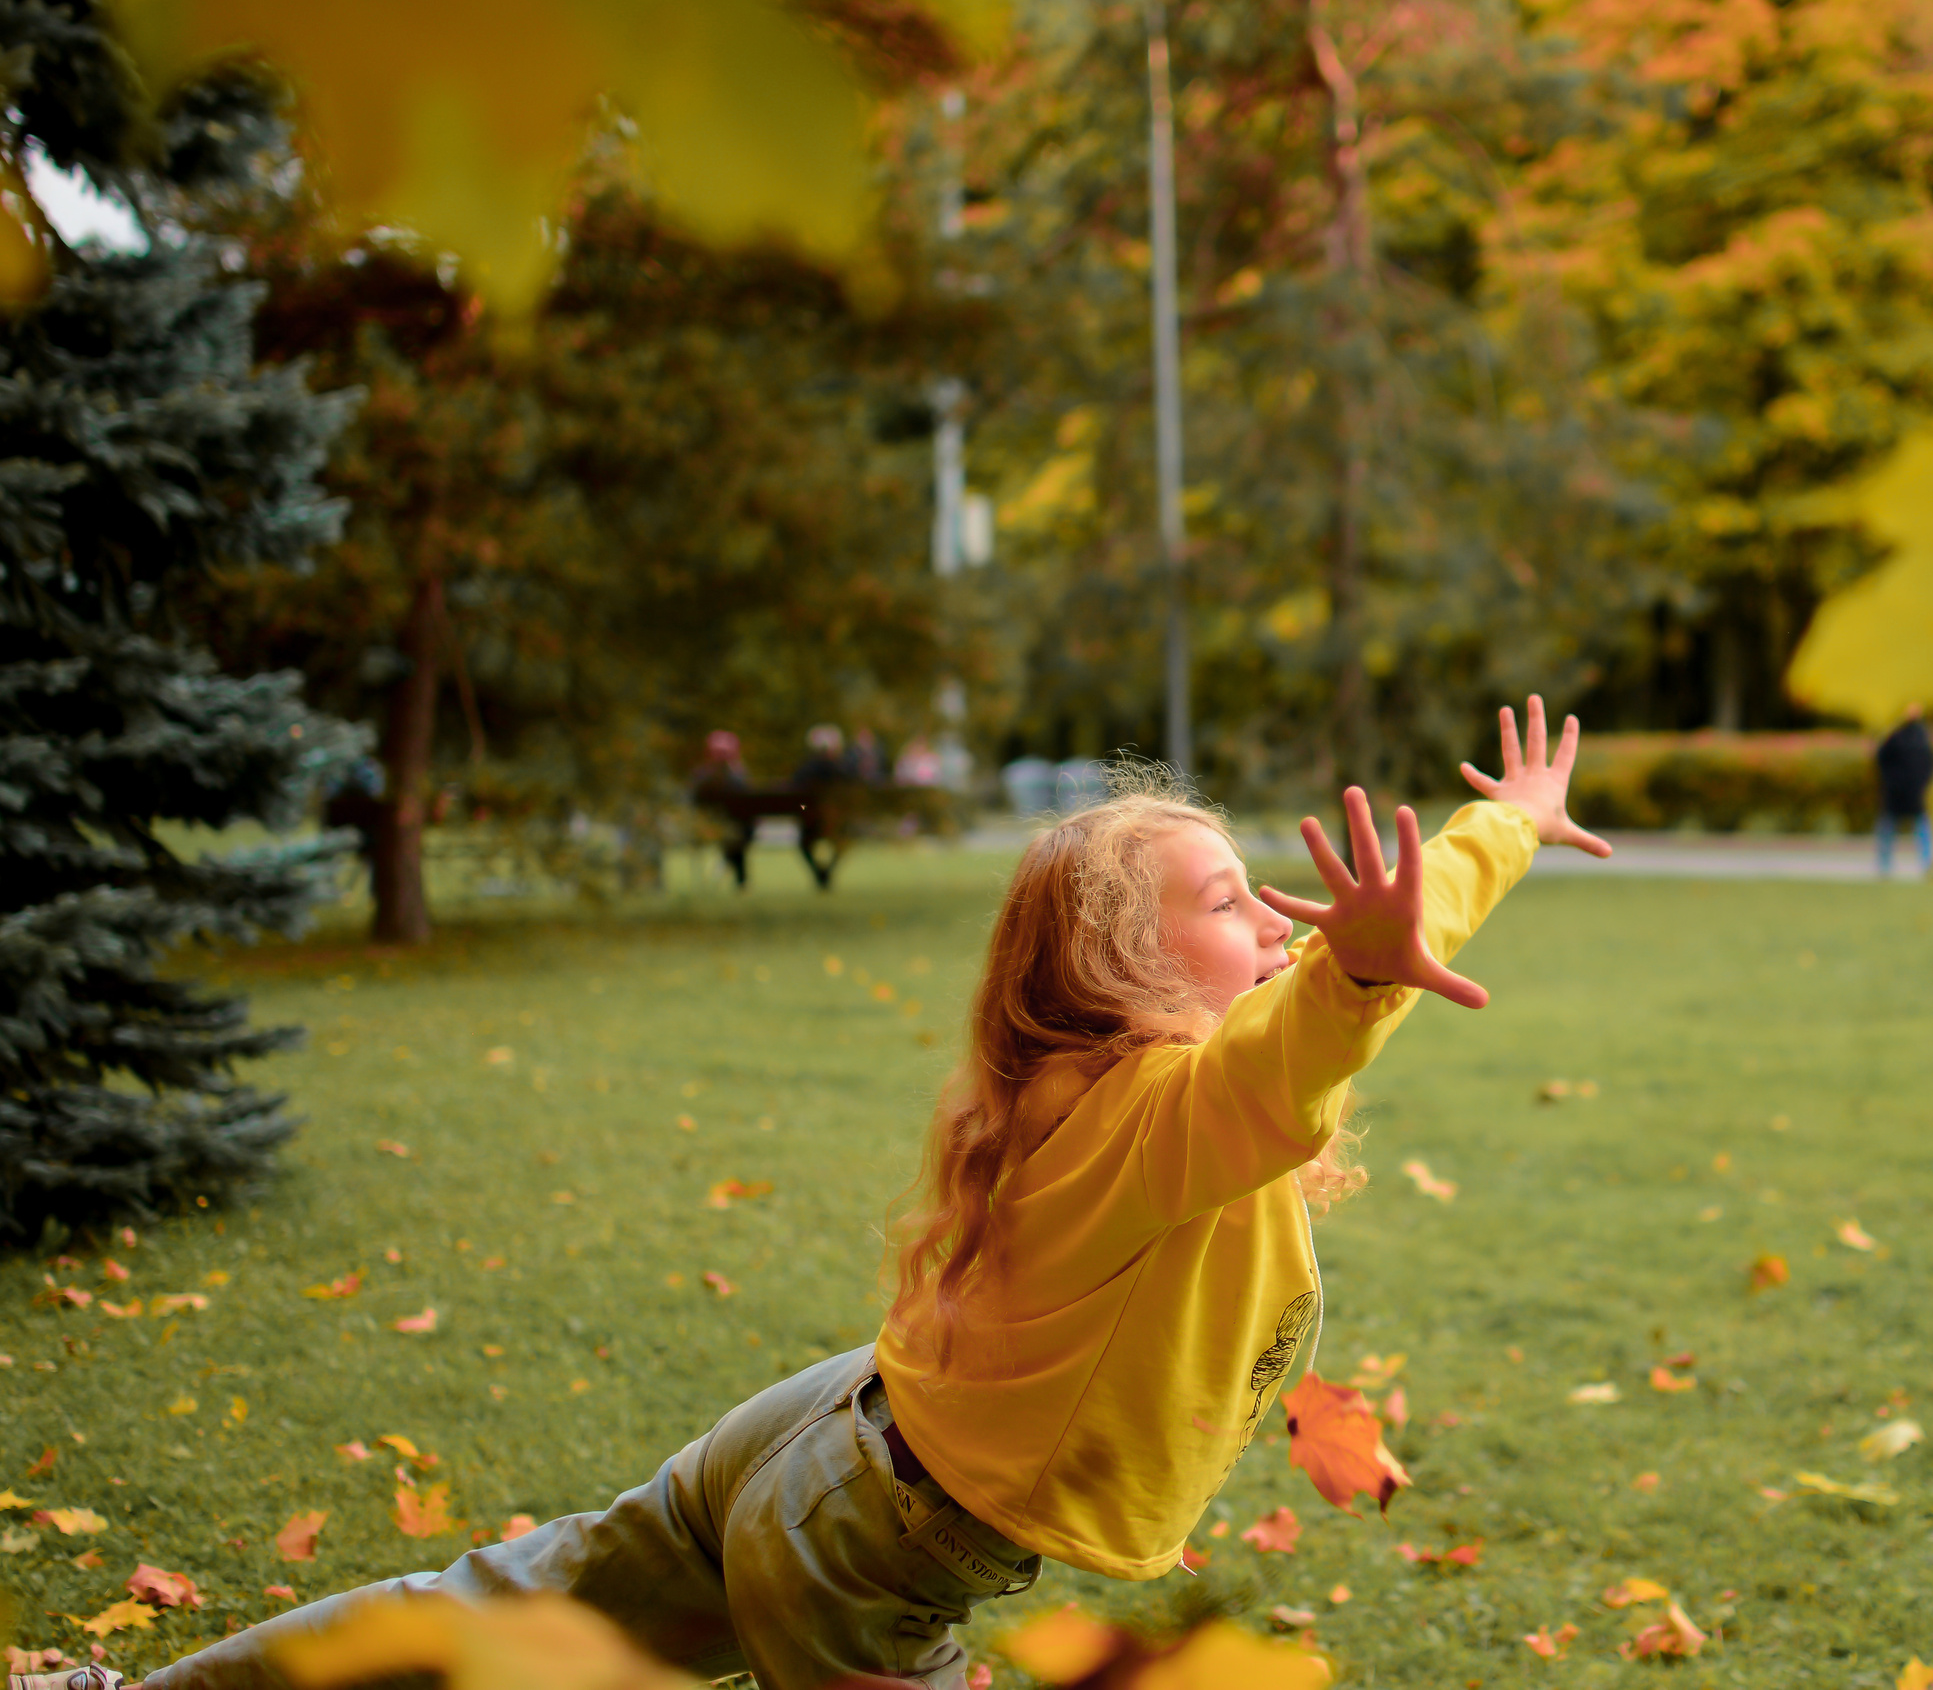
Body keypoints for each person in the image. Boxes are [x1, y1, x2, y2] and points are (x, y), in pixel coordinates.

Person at [110, 697, 1609, 1690]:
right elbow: (1298, 1047)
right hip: (867, 1544)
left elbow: (1289, 1058)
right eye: (1227, 900)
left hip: (835, 1425)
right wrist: (1359, 963)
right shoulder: (1160, 1109)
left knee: (508, 1595)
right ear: (1126, 969)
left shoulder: (1072, 1089)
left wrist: (1508, 830)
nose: (1276, 916)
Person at [791, 724, 860, 888]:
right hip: (831, 820)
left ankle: (821, 873)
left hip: (811, 817)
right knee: (844, 837)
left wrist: (804, 810)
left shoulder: (805, 770)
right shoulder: (842, 769)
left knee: (805, 841)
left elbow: (797, 796)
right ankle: (825, 873)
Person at [688, 731, 755, 890]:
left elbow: (691, 800)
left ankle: (729, 866)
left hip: (711, 826)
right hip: (730, 827)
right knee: (738, 834)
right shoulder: (739, 776)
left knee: (734, 836)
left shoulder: (701, 776)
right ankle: (739, 878)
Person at [1874, 706, 1933, 876]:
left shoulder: (1916, 736)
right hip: (1903, 791)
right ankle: (1885, 866)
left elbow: (1928, 763)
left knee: (1920, 829)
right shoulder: (1903, 736)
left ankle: (1926, 865)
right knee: (1892, 828)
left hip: (1910, 791)